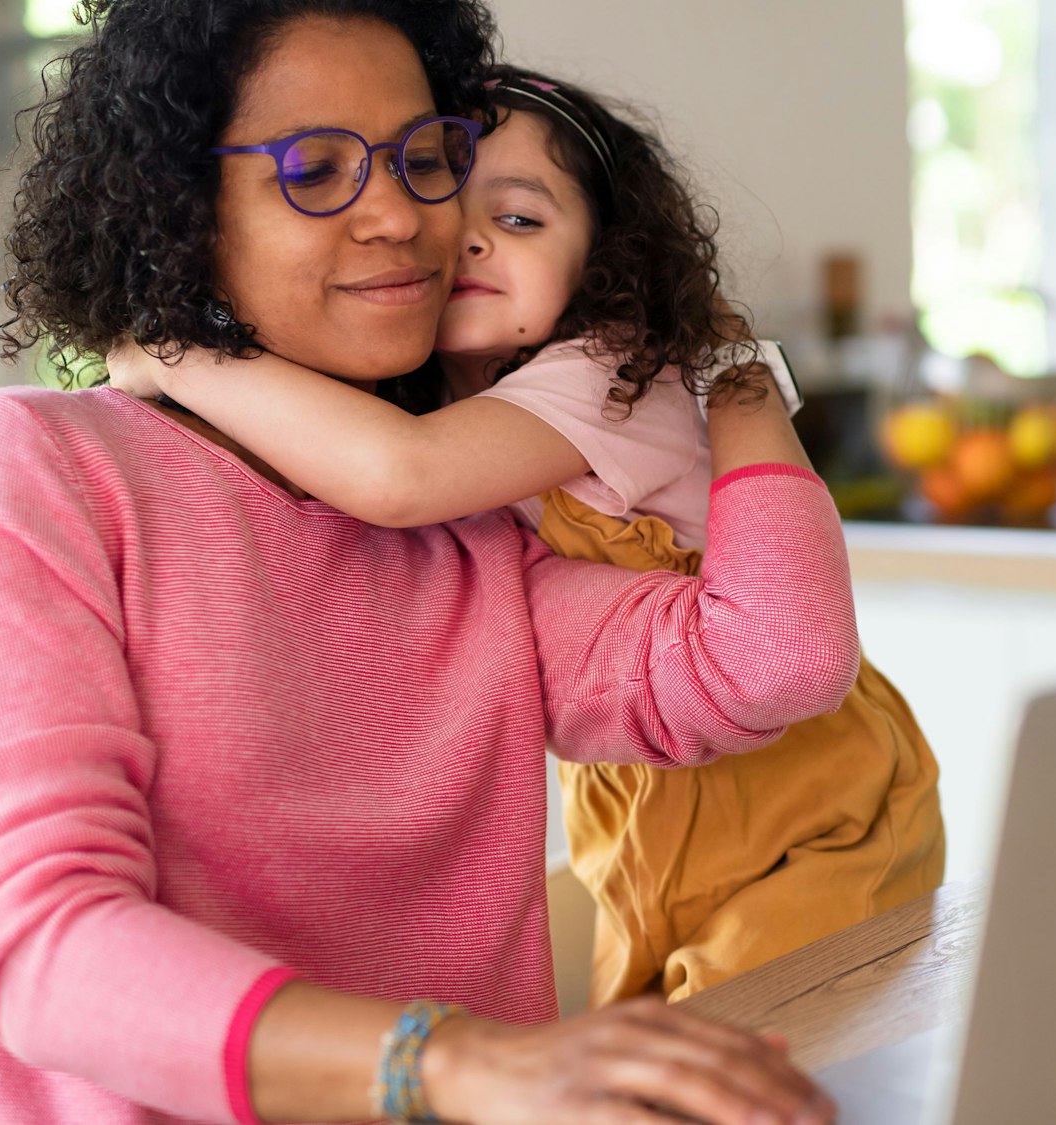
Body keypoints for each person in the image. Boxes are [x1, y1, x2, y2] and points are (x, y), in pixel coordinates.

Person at [0, 3, 844, 1122]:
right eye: (316, 170)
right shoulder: (35, 470)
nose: (401, 216)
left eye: (424, 160)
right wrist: (454, 1065)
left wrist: (732, 368)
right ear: (178, 208)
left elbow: (773, 659)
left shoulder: (470, 526)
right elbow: (44, 952)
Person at [108, 65, 945, 1007]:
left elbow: (401, 475)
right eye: (443, 203)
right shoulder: (463, 400)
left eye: (519, 218)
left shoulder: (612, 370)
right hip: (646, 817)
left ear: (603, 261)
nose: (468, 238)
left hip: (814, 813)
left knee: (734, 1063)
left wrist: (178, 355)